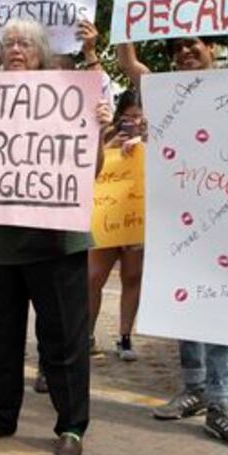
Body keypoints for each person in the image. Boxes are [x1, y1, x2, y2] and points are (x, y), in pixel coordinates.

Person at [110, 0, 228, 453]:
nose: (185, 51)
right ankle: (197, 387)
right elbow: (127, 59)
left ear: (213, 49)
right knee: (188, 306)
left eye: (194, 44)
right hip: (178, 218)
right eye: (177, 47)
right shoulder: (164, 89)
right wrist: (125, 6)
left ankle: (222, 404)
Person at [0, 17, 110, 455]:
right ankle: (0, 415)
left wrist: (97, 130)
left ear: (42, 51)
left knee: (63, 338)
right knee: (1, 334)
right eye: (9, 44)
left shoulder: (68, 96)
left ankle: (71, 426)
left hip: (57, 240)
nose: (16, 49)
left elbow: (92, 168)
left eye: (25, 42)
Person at [86, 88, 146, 361]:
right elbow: (91, 166)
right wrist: (110, 147)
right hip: (107, 218)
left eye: (140, 118)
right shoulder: (106, 136)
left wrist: (143, 145)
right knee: (93, 277)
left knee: (132, 276)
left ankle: (124, 336)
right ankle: (86, 335)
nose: (134, 122)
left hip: (136, 219)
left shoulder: (155, 139)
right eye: (129, 117)